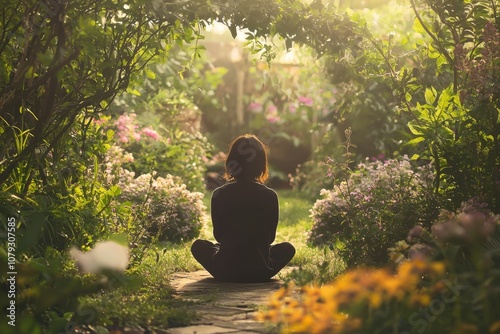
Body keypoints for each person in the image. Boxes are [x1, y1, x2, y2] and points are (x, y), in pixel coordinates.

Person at [191, 134, 296, 283]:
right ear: (261, 164)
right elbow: (270, 238)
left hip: (225, 270)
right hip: (260, 271)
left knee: (199, 246)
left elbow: (219, 236)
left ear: (231, 162)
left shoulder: (219, 194)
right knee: (287, 248)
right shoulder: (270, 195)